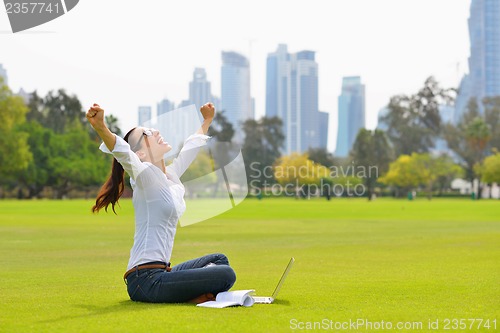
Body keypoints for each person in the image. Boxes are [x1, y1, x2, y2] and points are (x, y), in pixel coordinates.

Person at [86, 102, 236, 303]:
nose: (155, 131)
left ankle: (195, 295)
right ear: (140, 154)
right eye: (147, 133)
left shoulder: (170, 176)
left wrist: (206, 120)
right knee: (226, 275)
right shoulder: (144, 177)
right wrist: (101, 127)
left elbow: (189, 150)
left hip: (163, 271)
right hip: (145, 280)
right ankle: (194, 297)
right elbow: (122, 152)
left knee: (219, 260)